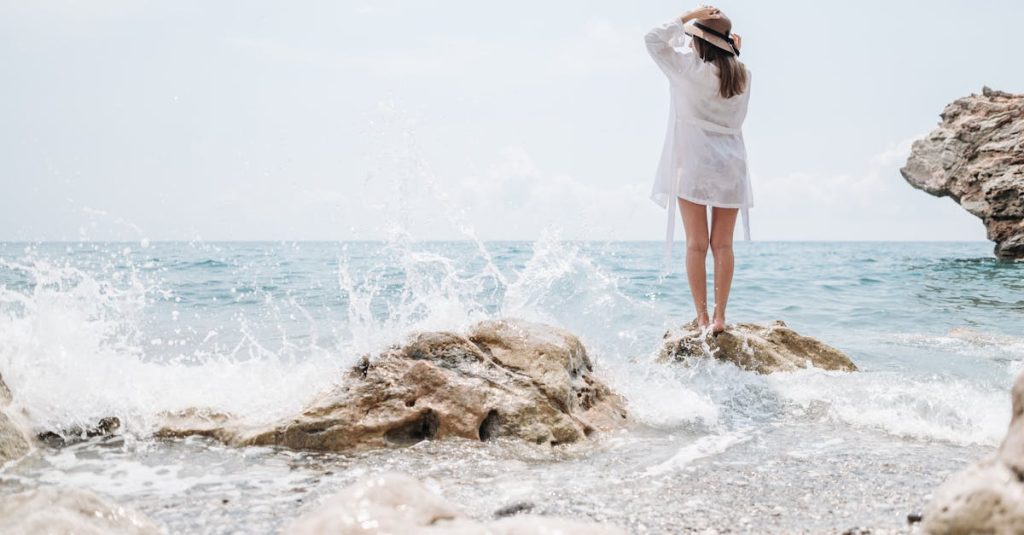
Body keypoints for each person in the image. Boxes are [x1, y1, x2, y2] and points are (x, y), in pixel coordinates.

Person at [645, 5, 752, 335]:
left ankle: (702, 318)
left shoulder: (686, 69)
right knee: (723, 244)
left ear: (698, 41)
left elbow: (652, 40)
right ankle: (721, 318)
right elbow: (727, 66)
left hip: (692, 163)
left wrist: (689, 14)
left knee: (696, 244)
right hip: (731, 165)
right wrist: (732, 52)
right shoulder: (743, 75)